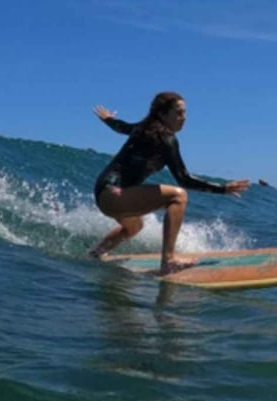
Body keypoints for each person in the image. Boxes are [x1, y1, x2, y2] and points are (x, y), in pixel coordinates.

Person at [88, 91, 250, 273]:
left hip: (104, 192)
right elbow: (183, 179)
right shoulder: (166, 139)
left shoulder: (143, 128)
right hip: (114, 194)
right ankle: (169, 261)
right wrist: (223, 189)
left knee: (135, 226)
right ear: (163, 115)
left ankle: (96, 252)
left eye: (185, 113)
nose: (184, 118)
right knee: (178, 196)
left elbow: (121, 127)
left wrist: (108, 119)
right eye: (179, 113)